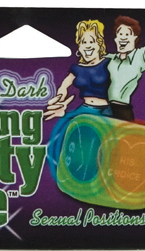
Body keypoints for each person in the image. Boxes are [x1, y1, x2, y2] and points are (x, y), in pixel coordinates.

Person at [44, 19, 112, 178]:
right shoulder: (76, 68)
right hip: (85, 110)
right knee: (64, 137)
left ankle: (102, 176)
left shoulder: (108, 63)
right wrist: (59, 100)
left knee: (104, 146)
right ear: (79, 46)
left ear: (99, 44)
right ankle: (71, 175)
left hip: (105, 112)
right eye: (83, 42)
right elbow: (64, 87)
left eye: (91, 41)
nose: (87, 45)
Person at [105, 12, 145, 121]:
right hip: (104, 109)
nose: (123, 37)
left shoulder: (138, 56)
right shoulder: (108, 58)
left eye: (127, 34)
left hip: (123, 110)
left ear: (134, 38)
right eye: (120, 34)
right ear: (116, 38)